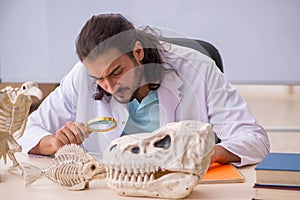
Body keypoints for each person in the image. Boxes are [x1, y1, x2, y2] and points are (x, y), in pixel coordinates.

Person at [18, 13, 270, 166]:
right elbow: (29, 130)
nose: (109, 87)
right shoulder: (81, 76)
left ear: (138, 52)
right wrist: (53, 142)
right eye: (98, 78)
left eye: (116, 72)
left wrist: (205, 154)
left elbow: (254, 138)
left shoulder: (198, 69)